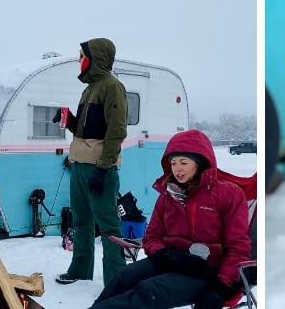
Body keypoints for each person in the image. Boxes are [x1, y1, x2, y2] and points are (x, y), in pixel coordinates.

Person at [89, 129, 252, 309]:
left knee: (149, 291)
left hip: (208, 271)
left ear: (200, 163)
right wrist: (167, 255)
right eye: (173, 163)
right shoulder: (168, 195)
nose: (177, 168)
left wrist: (220, 288)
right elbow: (151, 237)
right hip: (172, 262)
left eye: (184, 162)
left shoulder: (228, 194)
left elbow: (238, 247)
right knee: (124, 276)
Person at [54, 39, 129, 286]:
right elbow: (87, 131)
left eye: (82, 56)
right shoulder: (90, 88)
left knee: (108, 225)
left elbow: (116, 130)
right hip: (79, 165)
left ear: (95, 58)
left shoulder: (112, 86)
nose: (79, 60)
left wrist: (103, 167)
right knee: (81, 221)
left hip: (99, 168)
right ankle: (80, 270)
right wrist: (69, 120)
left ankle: (116, 280)